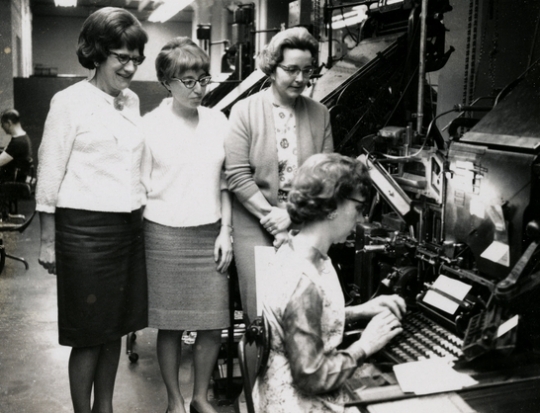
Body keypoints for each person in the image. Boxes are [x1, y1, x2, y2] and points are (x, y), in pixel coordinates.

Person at [35, 7, 148, 413]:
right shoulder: (68, 102)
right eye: (122, 57)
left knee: (115, 329)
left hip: (127, 229)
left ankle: (106, 408)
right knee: (88, 335)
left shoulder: (131, 101)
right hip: (84, 232)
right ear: (98, 53)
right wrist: (48, 241)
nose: (131, 67)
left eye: (137, 58)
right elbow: (49, 172)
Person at [254, 153, 406, 413]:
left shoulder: (295, 249)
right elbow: (312, 377)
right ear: (333, 206)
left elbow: (303, 321)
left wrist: (360, 310)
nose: (361, 218)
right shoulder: (303, 280)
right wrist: (364, 345)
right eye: (359, 207)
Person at [141, 37, 233, 413]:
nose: (198, 89)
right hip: (163, 235)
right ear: (166, 81)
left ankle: (200, 398)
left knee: (213, 324)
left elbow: (226, 182)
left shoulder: (217, 121)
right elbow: (140, 187)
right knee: (172, 325)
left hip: (209, 233)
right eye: (188, 81)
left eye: (203, 79)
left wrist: (225, 230)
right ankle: (174, 401)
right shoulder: (149, 126)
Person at [225, 27, 334, 321]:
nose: (301, 79)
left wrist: (291, 215)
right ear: (272, 67)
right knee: (262, 315)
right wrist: (275, 220)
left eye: (307, 70)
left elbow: (325, 177)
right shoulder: (244, 111)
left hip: (305, 220)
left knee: (303, 313)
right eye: (291, 69)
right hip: (254, 221)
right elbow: (236, 175)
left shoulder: (320, 113)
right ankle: (260, 368)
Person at [0, 108, 33, 182]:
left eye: (2, 124)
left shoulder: (18, 142)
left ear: (8, 123)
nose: (2, 127)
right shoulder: (23, 137)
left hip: (12, 184)